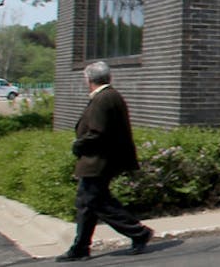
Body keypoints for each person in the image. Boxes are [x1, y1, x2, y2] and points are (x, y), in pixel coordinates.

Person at [59, 61, 154, 262]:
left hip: (99, 160)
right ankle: (81, 247)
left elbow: (97, 132)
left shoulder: (104, 98)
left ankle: (138, 232)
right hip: (100, 160)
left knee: (95, 201)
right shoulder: (109, 96)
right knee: (87, 203)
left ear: (89, 79)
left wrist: (79, 145)